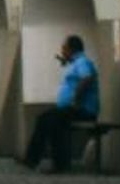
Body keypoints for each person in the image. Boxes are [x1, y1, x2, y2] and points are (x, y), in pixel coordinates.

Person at [22, 34, 100, 173]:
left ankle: (50, 163)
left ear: (72, 49)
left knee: (50, 120)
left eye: (64, 48)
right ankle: (36, 160)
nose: (62, 52)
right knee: (46, 119)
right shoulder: (76, 63)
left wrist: (76, 99)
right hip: (71, 109)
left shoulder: (82, 62)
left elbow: (87, 78)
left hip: (83, 109)